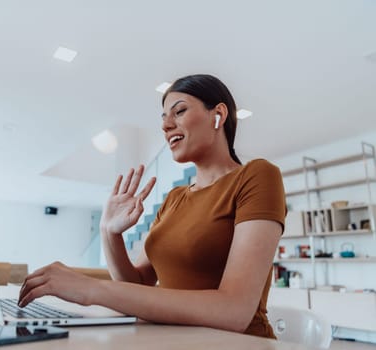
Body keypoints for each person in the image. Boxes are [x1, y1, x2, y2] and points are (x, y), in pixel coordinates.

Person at [19, 74, 286, 338]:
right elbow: (137, 286)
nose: (166, 125)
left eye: (179, 111)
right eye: (163, 118)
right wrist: (109, 232)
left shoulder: (257, 176)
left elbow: (234, 311)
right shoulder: (173, 199)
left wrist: (92, 289)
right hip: (167, 339)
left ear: (218, 114)